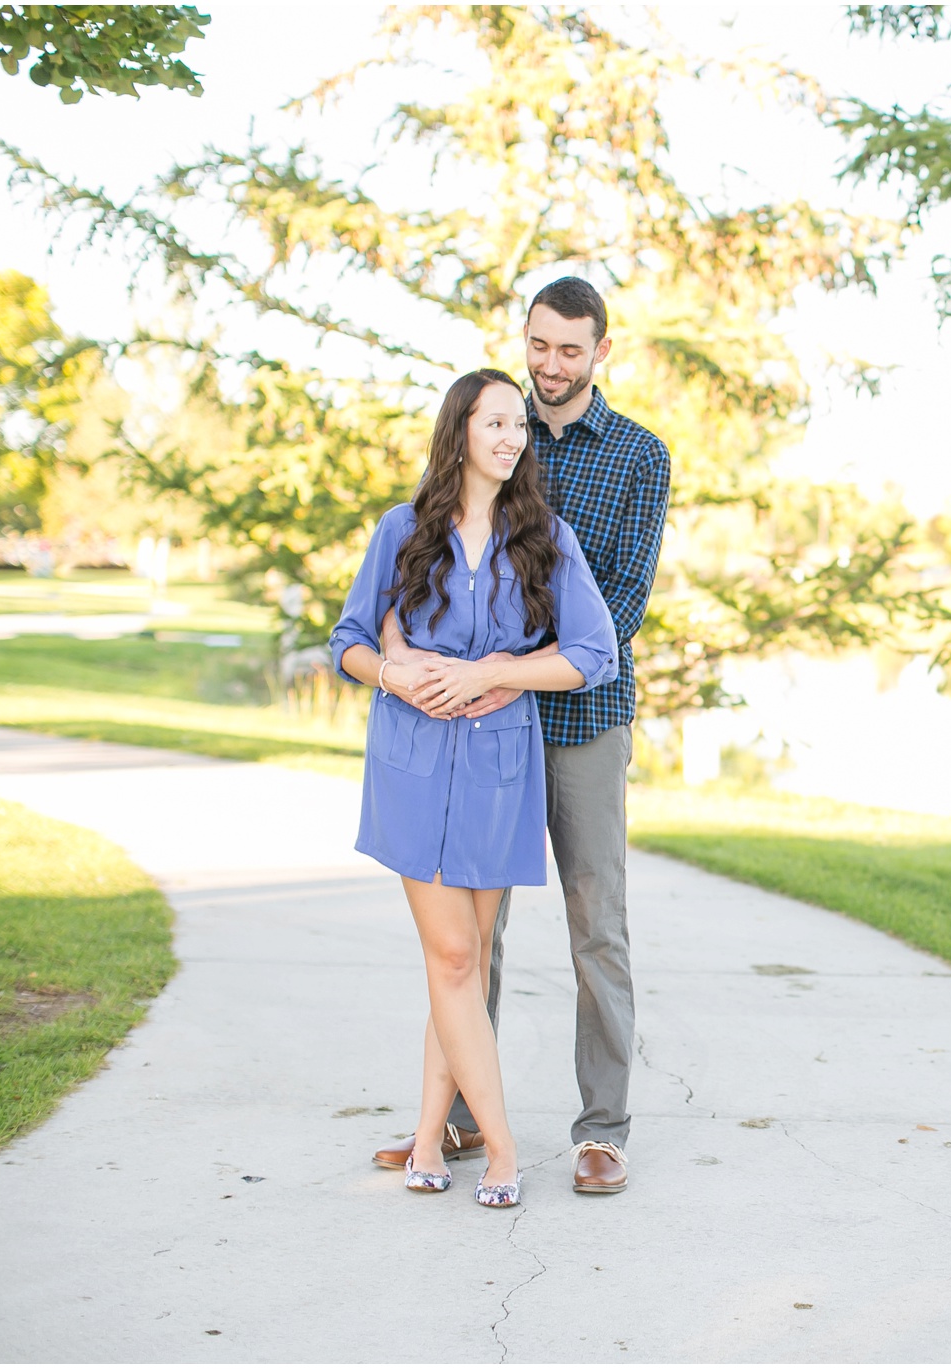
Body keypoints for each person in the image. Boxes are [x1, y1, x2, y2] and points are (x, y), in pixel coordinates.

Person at [368, 277, 671, 1197]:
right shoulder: (505, 427)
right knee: (469, 936)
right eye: (538, 345)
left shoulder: (636, 456)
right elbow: (432, 565)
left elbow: (615, 608)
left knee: (595, 925)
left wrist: (493, 665)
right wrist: (424, 657)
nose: (549, 364)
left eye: (569, 350)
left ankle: (602, 1130)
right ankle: (460, 1119)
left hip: (575, 720)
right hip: (478, 731)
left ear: (600, 353)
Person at [331, 367, 620, 1208]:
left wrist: (506, 668)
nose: (509, 437)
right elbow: (347, 640)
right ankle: (500, 1147)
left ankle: (428, 1137)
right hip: (412, 765)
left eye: (518, 427)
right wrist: (390, 673)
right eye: (493, 423)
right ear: (459, 430)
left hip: (499, 770)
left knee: (460, 962)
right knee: (454, 956)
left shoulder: (544, 541)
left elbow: (593, 652)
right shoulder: (402, 530)